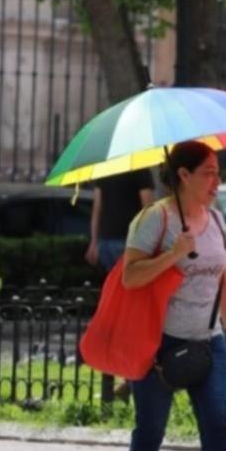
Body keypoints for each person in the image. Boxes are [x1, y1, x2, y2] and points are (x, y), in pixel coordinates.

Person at [122, 141, 226, 451]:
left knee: (218, 426)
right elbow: (130, 276)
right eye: (208, 173)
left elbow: (224, 280)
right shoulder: (155, 218)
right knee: (150, 430)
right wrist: (173, 253)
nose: (216, 181)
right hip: (158, 343)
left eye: (217, 173)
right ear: (183, 175)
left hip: (209, 340)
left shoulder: (217, 221)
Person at [86, 168, 155, 404]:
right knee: (133, 314)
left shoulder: (106, 170)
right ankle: (129, 377)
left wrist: (94, 241)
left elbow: (98, 207)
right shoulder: (140, 171)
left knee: (114, 311)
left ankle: (113, 377)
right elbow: (148, 209)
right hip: (131, 245)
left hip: (107, 242)